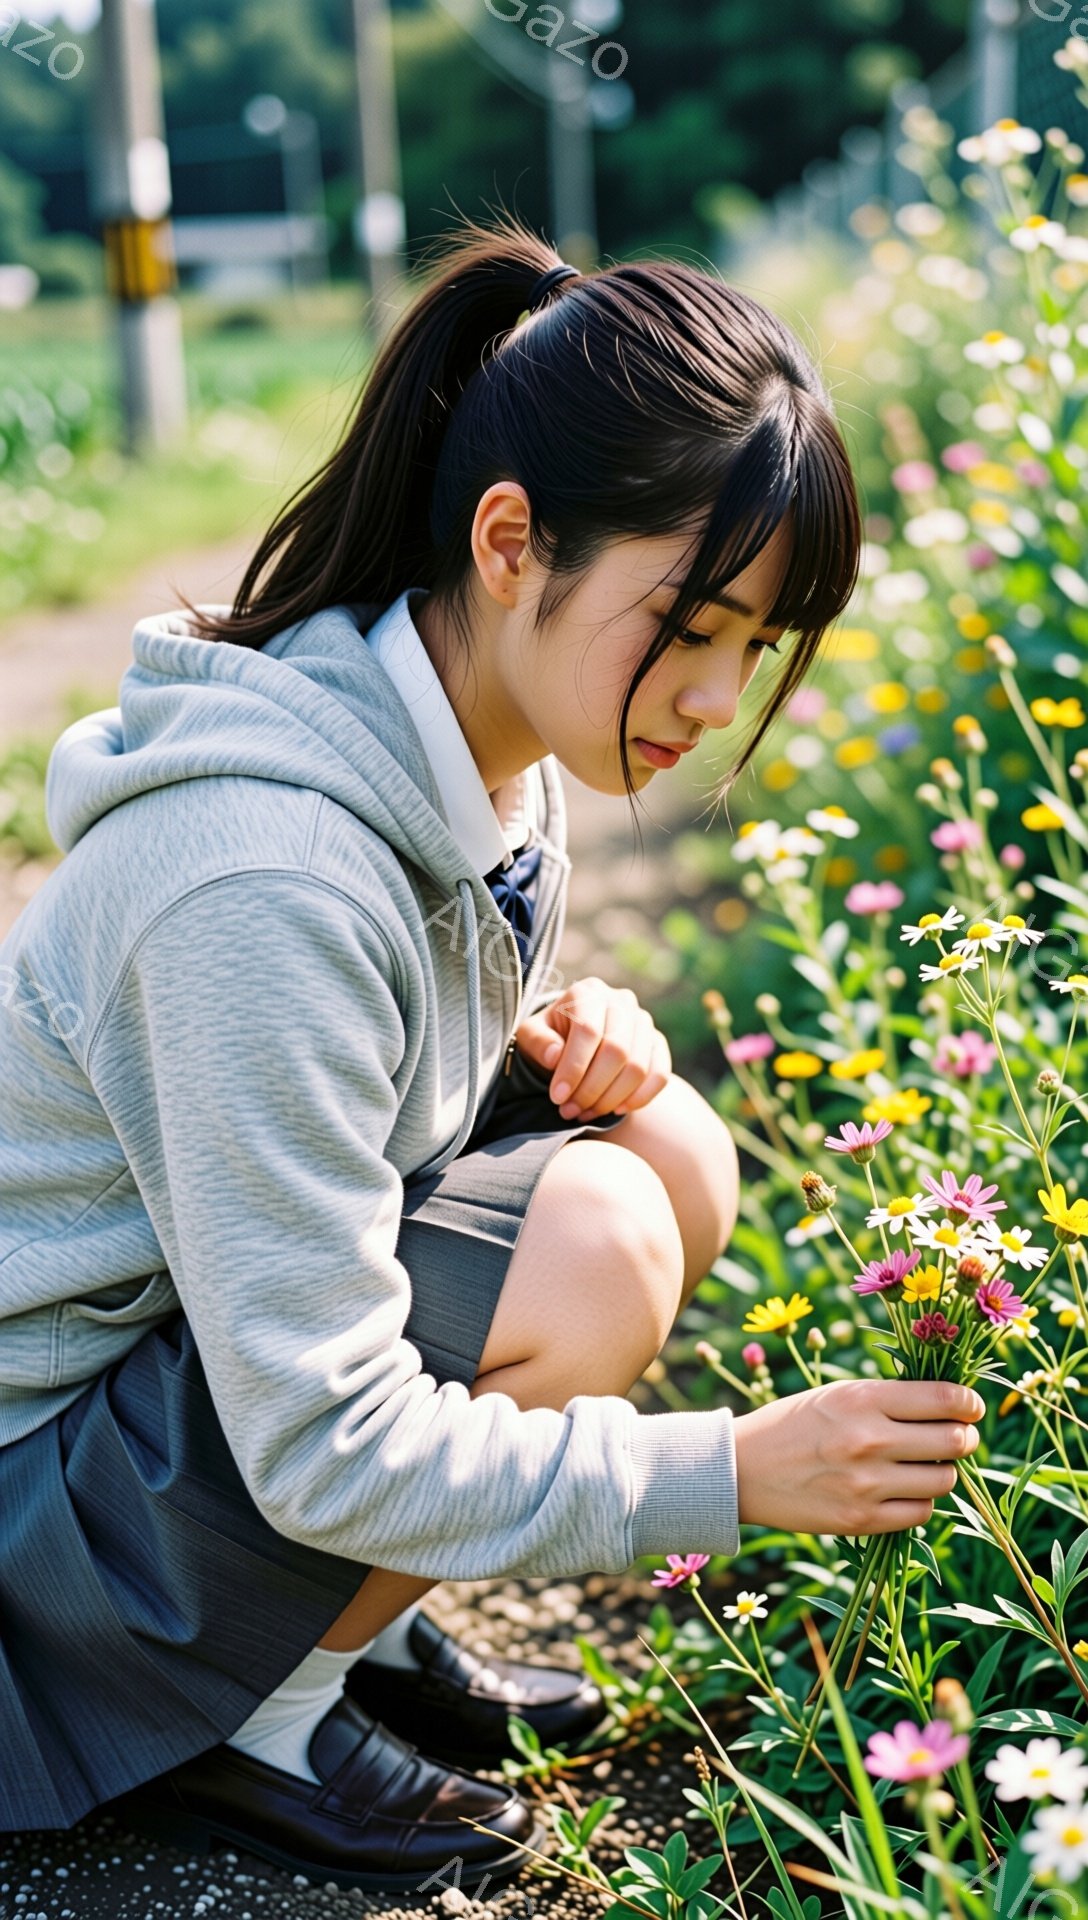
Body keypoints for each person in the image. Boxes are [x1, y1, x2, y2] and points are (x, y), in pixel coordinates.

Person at [0, 212, 986, 1891]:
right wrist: (729, 1476)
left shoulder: (490, 761)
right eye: (694, 623)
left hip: (159, 1413)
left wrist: (557, 1057)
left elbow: (361, 1157)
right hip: (40, 1558)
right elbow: (322, 1431)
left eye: (758, 646)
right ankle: (251, 1711)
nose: (712, 697)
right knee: (599, 1239)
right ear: (512, 540)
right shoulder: (262, 875)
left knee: (666, 1147)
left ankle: (335, 1638)